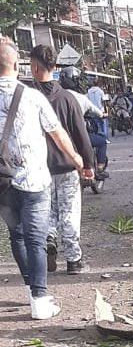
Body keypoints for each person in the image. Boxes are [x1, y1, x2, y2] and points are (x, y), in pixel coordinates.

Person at [0, 41, 83, 319]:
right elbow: (57, 133)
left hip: (2, 183)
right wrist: (76, 158)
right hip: (33, 179)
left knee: (17, 236)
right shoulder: (32, 97)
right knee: (36, 240)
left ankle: (30, 289)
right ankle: (39, 300)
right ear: (16, 66)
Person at [30, 46, 96, 274]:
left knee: (47, 211)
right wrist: (88, 165)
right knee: (69, 211)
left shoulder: (28, 97)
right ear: (55, 67)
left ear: (34, 66)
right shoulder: (68, 98)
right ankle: (73, 260)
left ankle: (49, 238)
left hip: (39, 168)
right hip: (67, 165)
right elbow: (81, 134)